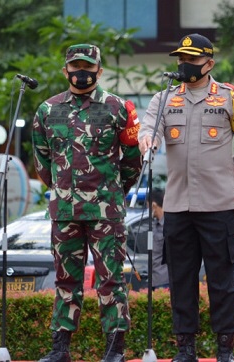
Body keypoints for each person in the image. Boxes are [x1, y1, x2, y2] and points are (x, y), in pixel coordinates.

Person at [138, 33, 234, 362]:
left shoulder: (232, 96)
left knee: (221, 280)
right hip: (178, 206)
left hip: (219, 205)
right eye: (181, 59)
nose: (185, 65)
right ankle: (185, 348)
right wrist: (147, 141)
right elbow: (148, 127)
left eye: (191, 60)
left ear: (209, 64)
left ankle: (225, 349)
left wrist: (227, 181)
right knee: (181, 280)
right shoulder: (164, 99)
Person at [32, 43, 142, 362]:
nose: (82, 73)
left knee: (110, 278)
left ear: (99, 70)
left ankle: (115, 350)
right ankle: (60, 349)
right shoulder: (47, 110)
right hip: (65, 211)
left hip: (106, 211)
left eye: (88, 67)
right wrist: (63, 188)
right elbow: (41, 160)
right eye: (76, 67)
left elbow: (132, 159)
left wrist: (113, 188)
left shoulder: (117, 108)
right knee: (66, 278)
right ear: (65, 70)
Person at [149, 189, 169, 290]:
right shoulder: (153, 225)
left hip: (164, 279)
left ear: (153, 205)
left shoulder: (168, 225)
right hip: (154, 278)